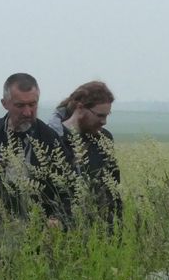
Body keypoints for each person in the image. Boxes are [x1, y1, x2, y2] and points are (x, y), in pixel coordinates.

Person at [0, 73, 69, 228]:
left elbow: (67, 188)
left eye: (33, 104)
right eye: (20, 105)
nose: (27, 112)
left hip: (35, 230)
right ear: (5, 103)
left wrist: (57, 219)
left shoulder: (49, 137)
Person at [48, 80, 123, 227]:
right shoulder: (52, 138)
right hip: (63, 231)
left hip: (101, 231)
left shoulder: (105, 139)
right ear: (80, 108)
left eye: (107, 115)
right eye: (100, 116)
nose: (104, 122)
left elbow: (113, 188)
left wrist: (117, 224)